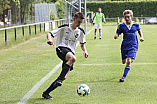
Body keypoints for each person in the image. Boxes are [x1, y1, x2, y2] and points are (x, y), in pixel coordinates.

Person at [42, 12, 88, 99]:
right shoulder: (65, 27)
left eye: (81, 22)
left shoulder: (80, 31)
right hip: (61, 48)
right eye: (78, 21)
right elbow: (49, 34)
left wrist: (85, 51)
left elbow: (82, 44)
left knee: (64, 77)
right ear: (74, 19)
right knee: (73, 58)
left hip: (70, 52)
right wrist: (49, 40)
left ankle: (46, 93)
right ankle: (59, 79)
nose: (80, 24)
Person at [114, 10, 144, 82]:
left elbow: (139, 30)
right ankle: (127, 59)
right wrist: (116, 35)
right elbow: (118, 32)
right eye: (125, 17)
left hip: (133, 45)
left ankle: (123, 77)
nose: (126, 18)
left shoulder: (136, 24)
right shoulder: (121, 25)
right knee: (123, 62)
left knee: (129, 61)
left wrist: (141, 37)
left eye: (128, 17)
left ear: (131, 17)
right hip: (124, 46)